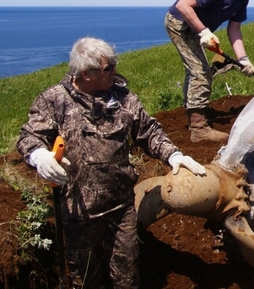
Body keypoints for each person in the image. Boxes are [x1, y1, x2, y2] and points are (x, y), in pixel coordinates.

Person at [17, 37, 207, 288]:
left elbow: (148, 131)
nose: (115, 71)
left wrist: (174, 155)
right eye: (108, 68)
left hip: (121, 207)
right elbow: (29, 137)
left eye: (114, 64)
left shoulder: (123, 98)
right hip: (78, 211)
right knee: (86, 277)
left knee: (127, 276)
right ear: (86, 73)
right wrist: (39, 156)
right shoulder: (55, 100)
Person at [165, 0, 254, 142]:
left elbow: (234, 29)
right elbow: (183, 5)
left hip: (196, 29)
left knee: (196, 70)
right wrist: (203, 31)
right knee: (201, 72)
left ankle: (192, 110)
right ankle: (199, 129)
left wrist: (243, 59)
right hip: (180, 24)